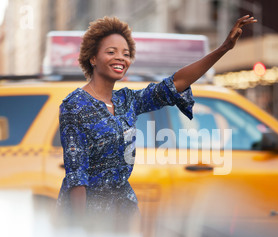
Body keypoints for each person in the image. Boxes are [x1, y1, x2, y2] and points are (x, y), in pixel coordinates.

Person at [56, 15, 257, 216]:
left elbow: (175, 84)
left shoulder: (126, 100)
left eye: (126, 54)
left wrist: (223, 48)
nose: (121, 58)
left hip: (123, 211)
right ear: (93, 58)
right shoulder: (75, 105)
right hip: (91, 215)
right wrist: (79, 229)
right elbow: (76, 177)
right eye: (111, 52)